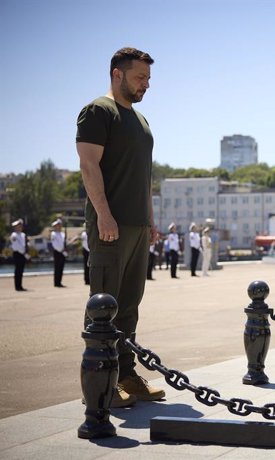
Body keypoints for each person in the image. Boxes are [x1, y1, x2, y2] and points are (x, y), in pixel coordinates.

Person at [76, 46, 164, 407]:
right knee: (104, 306)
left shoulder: (140, 121)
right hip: (110, 226)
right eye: (139, 77)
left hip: (138, 226)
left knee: (129, 306)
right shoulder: (98, 111)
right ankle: (100, 384)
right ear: (117, 74)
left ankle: (126, 375)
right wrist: (104, 215)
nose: (146, 84)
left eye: (148, 79)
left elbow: (143, 177)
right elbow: (88, 166)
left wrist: (150, 219)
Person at [10, 218, 28, 291]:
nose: (19, 227)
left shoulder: (23, 235)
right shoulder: (13, 235)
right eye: (17, 226)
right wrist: (23, 252)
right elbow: (16, 246)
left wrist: (26, 252)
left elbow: (24, 245)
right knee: (17, 270)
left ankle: (20, 285)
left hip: (23, 253)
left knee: (21, 270)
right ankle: (17, 286)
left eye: (20, 226)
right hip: (17, 253)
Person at [50, 219, 67, 288]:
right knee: (57, 267)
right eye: (57, 225)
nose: (59, 227)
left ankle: (59, 281)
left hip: (63, 252)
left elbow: (64, 243)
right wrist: (61, 250)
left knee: (61, 267)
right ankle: (56, 282)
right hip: (57, 252)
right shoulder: (53, 234)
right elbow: (55, 244)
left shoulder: (62, 234)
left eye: (59, 225)